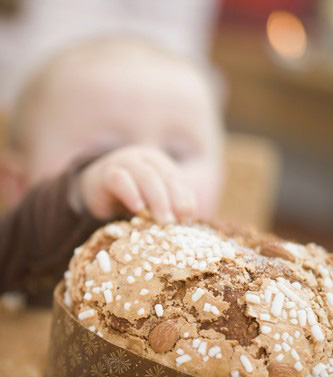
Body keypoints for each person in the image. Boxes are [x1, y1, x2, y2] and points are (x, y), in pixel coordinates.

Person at [0, 37, 224, 304]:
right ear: (17, 185)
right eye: (104, 152)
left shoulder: (228, 270)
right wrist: (79, 192)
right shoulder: (17, 254)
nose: (148, 165)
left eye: (175, 153)